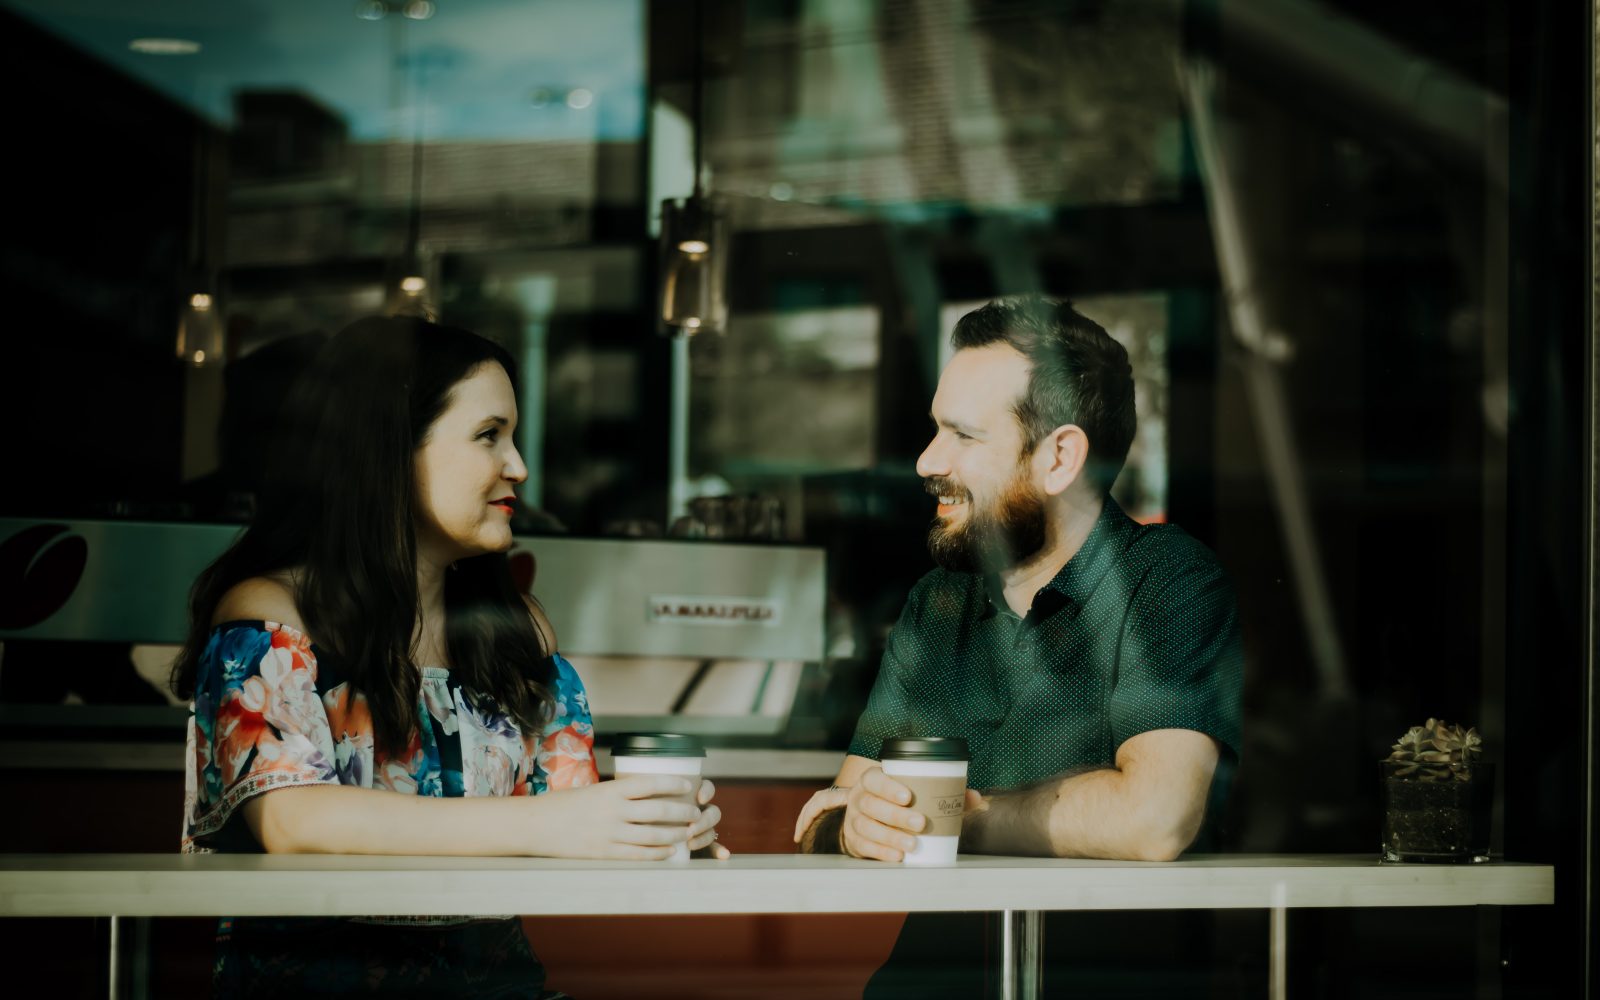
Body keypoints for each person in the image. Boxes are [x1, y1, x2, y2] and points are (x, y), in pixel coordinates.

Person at [171, 315, 728, 999]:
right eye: (489, 435)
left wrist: (652, 826)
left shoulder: (514, 631)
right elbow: (292, 821)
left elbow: (569, 812)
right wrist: (556, 824)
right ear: (389, 450)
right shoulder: (270, 617)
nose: (518, 467)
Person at [792, 296, 1243, 996]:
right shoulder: (938, 602)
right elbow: (830, 813)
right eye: (935, 429)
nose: (927, 460)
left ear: (1059, 458)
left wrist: (956, 820)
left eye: (964, 435)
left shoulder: (1166, 581)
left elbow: (1154, 819)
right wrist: (852, 828)